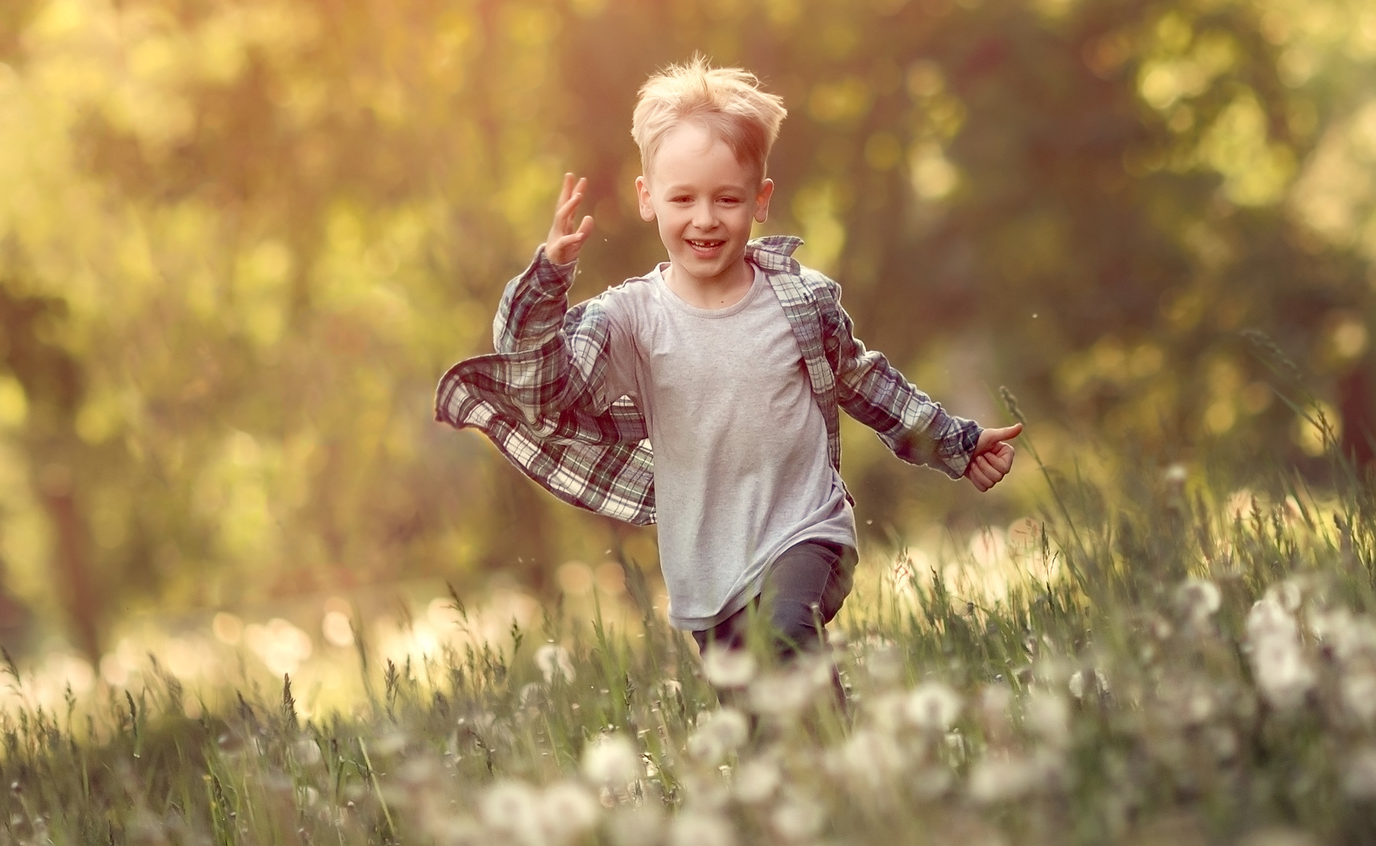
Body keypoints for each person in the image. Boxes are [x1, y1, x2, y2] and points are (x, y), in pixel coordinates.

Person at [434, 57, 1020, 663]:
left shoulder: (799, 301)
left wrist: (955, 441)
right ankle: (842, 754)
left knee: (788, 638)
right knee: (771, 723)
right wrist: (548, 278)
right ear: (647, 199)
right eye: (683, 198)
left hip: (808, 532)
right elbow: (544, 386)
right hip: (708, 575)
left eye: (727, 198)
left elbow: (867, 382)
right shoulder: (631, 319)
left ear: (760, 200)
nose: (705, 219)